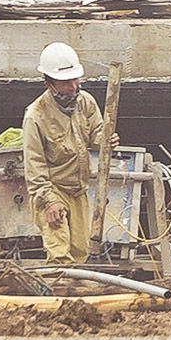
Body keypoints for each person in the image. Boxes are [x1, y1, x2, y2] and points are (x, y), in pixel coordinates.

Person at [21, 41, 117, 265]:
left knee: (80, 251)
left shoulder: (86, 102)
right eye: (66, 82)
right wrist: (49, 201)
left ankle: (74, 296)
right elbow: (34, 166)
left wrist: (107, 141)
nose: (73, 87)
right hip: (53, 191)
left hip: (78, 191)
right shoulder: (36, 116)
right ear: (49, 82)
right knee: (60, 255)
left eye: (76, 79)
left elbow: (95, 137)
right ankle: (58, 296)